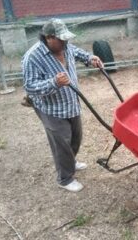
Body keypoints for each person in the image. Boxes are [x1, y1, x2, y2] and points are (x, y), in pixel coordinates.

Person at [22, 18, 103, 192]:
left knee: (75, 138)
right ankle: (64, 178)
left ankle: (70, 161)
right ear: (49, 37)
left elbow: (77, 52)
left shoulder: (65, 47)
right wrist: (54, 83)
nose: (65, 42)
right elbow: (30, 87)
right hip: (52, 109)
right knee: (62, 143)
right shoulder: (33, 56)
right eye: (61, 39)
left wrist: (90, 58)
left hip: (71, 102)